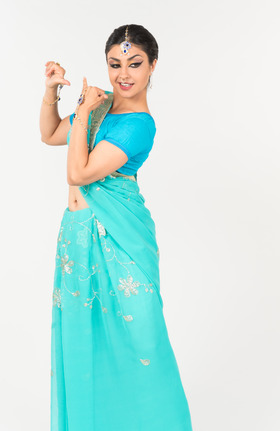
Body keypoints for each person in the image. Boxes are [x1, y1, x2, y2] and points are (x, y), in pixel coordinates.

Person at [40, 23, 193, 431]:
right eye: (115, 63)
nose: (124, 74)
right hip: (78, 236)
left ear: (153, 66)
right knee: (83, 341)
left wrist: (87, 110)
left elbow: (79, 171)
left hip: (122, 239)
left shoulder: (139, 124)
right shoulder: (103, 104)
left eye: (135, 63)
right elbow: (52, 133)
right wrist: (53, 91)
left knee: (142, 340)